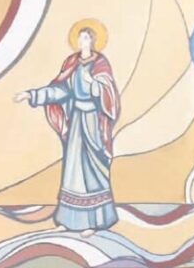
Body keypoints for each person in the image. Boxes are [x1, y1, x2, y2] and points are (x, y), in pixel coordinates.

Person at [14, 23, 120, 236]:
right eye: (80, 39)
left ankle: (94, 222)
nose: (83, 42)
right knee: (72, 171)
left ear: (93, 41)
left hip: (93, 124)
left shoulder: (100, 64)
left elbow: (109, 93)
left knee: (92, 171)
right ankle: (68, 220)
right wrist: (32, 95)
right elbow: (60, 90)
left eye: (86, 38)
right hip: (76, 123)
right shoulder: (72, 63)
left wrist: (94, 85)